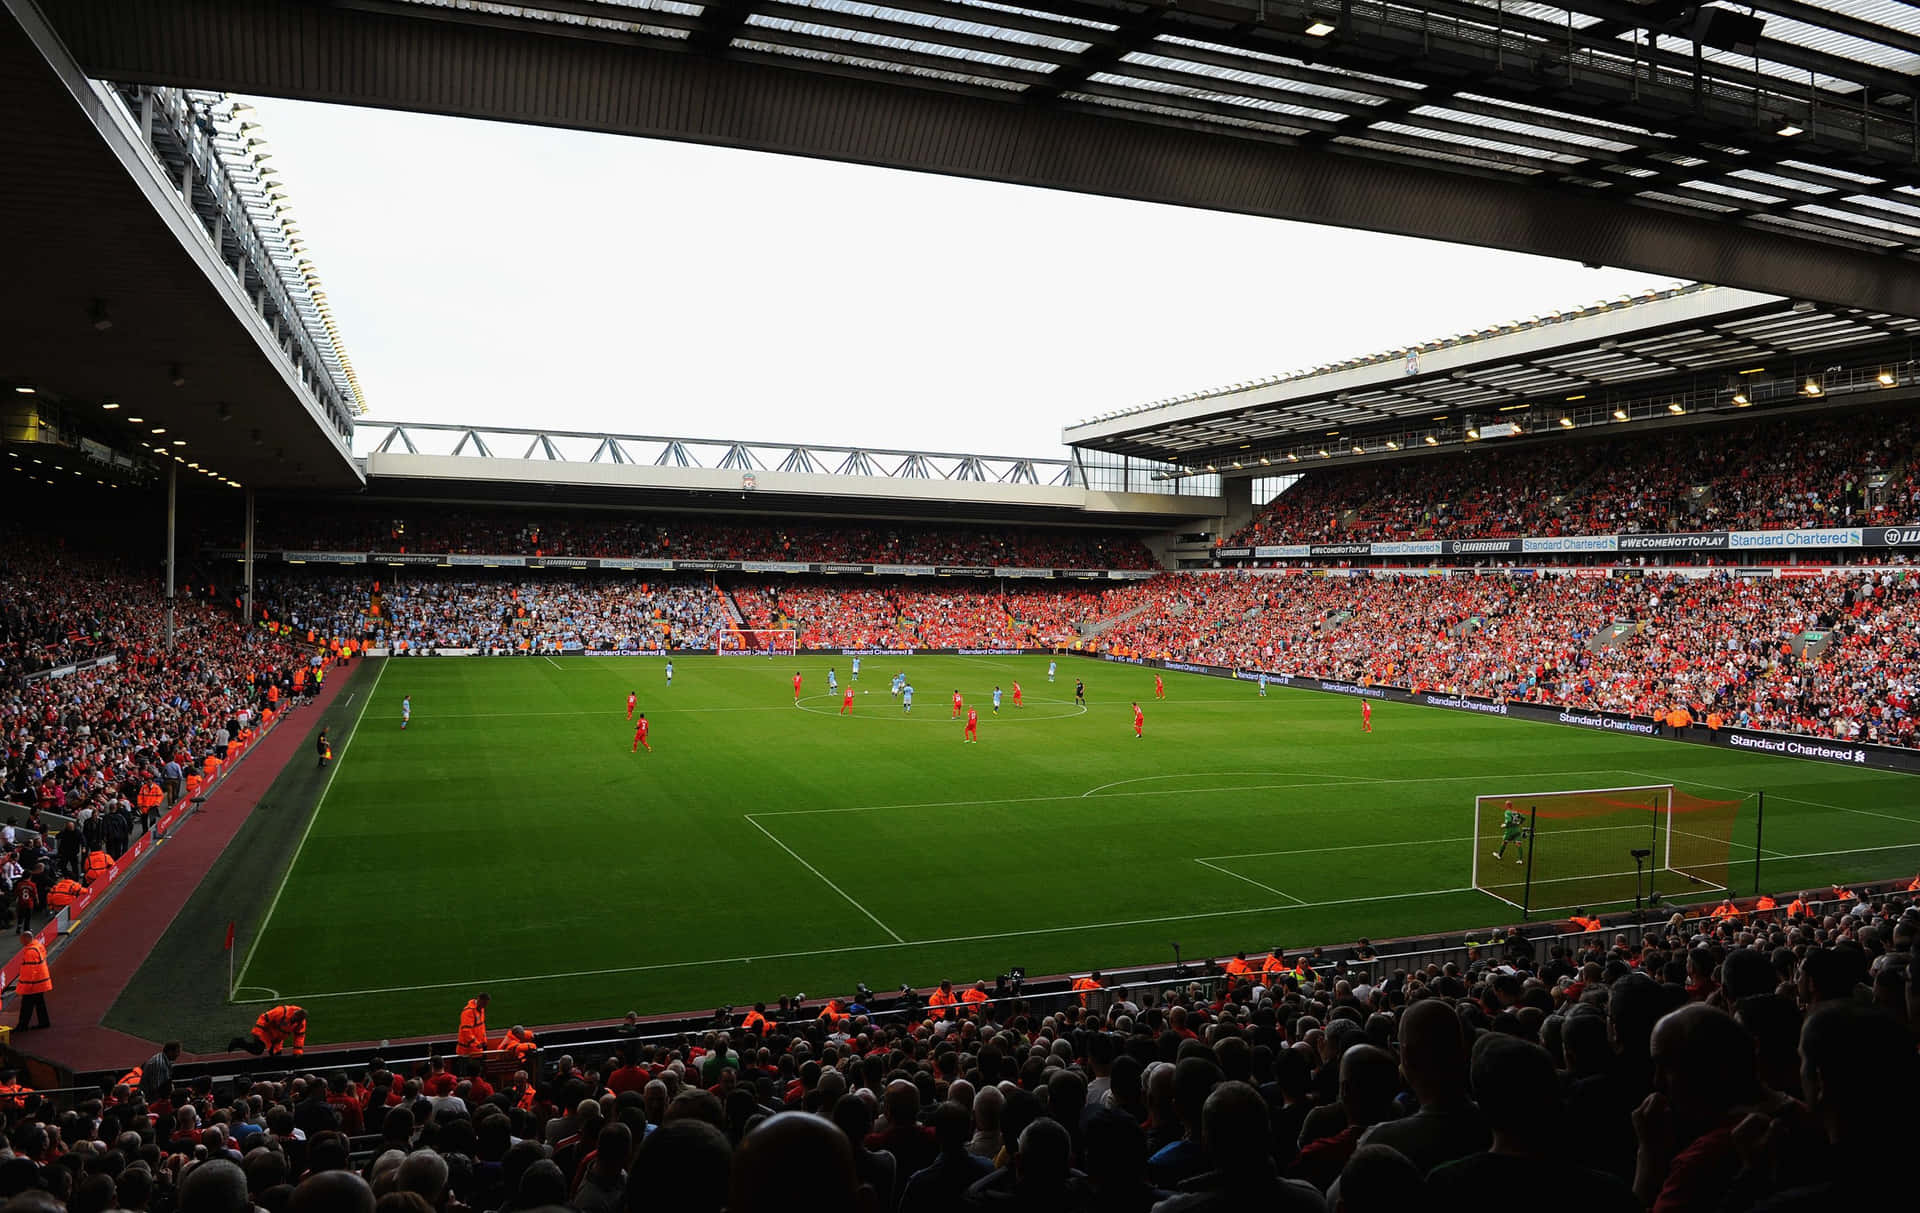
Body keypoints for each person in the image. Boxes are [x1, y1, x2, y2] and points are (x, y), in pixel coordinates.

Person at [228, 1004, 307, 1056]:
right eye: (294, 1020)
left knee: (276, 1056)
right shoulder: (281, 1011)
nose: (295, 1022)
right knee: (257, 1050)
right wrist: (257, 1032)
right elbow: (264, 1018)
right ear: (294, 1014)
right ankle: (239, 1042)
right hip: (265, 1033)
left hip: (277, 1039)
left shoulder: (300, 1022)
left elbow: (299, 1036)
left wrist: (297, 1051)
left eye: (297, 1021)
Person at [12, 929, 51, 1030]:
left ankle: (22, 1026)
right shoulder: (38, 946)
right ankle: (44, 1022)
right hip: (41, 982)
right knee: (39, 1003)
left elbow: (30, 971)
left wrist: (27, 987)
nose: (21, 942)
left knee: (26, 1006)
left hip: (33, 984)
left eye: (22, 940)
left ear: (26, 938)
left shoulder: (30, 952)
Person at [457, 993, 490, 1058]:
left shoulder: (481, 1009)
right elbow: (466, 1031)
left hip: (477, 1049)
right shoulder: (468, 1012)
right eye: (484, 1004)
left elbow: (481, 1026)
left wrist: (484, 1040)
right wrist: (476, 1043)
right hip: (467, 1051)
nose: (484, 1006)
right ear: (479, 1000)